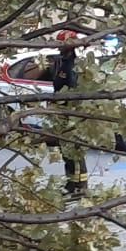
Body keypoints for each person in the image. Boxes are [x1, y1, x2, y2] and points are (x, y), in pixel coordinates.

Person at [50, 43, 87, 200]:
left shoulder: (72, 66)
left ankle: (79, 187)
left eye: (62, 46)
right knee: (66, 150)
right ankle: (71, 183)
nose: (59, 48)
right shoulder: (64, 63)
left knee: (74, 150)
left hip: (70, 113)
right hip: (62, 112)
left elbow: (72, 90)